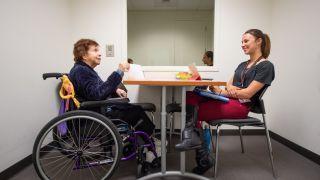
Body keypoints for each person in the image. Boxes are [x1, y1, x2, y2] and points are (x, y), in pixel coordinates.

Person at [175, 29, 275, 174]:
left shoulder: (266, 66)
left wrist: (224, 92)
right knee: (190, 96)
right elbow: (229, 84)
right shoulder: (242, 64)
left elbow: (248, 93)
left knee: (195, 111)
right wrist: (229, 90)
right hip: (229, 99)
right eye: (242, 42)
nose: (242, 44)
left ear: (259, 41)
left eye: (246, 41)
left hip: (241, 106)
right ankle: (194, 140)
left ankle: (202, 156)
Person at [69, 39, 155, 135]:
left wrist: (116, 89)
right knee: (135, 111)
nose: (100, 54)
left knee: (133, 109)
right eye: (95, 50)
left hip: (98, 109)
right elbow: (97, 94)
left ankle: (144, 141)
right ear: (84, 56)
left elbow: (99, 88)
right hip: (97, 113)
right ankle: (149, 140)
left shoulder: (84, 70)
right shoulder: (81, 71)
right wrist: (119, 71)